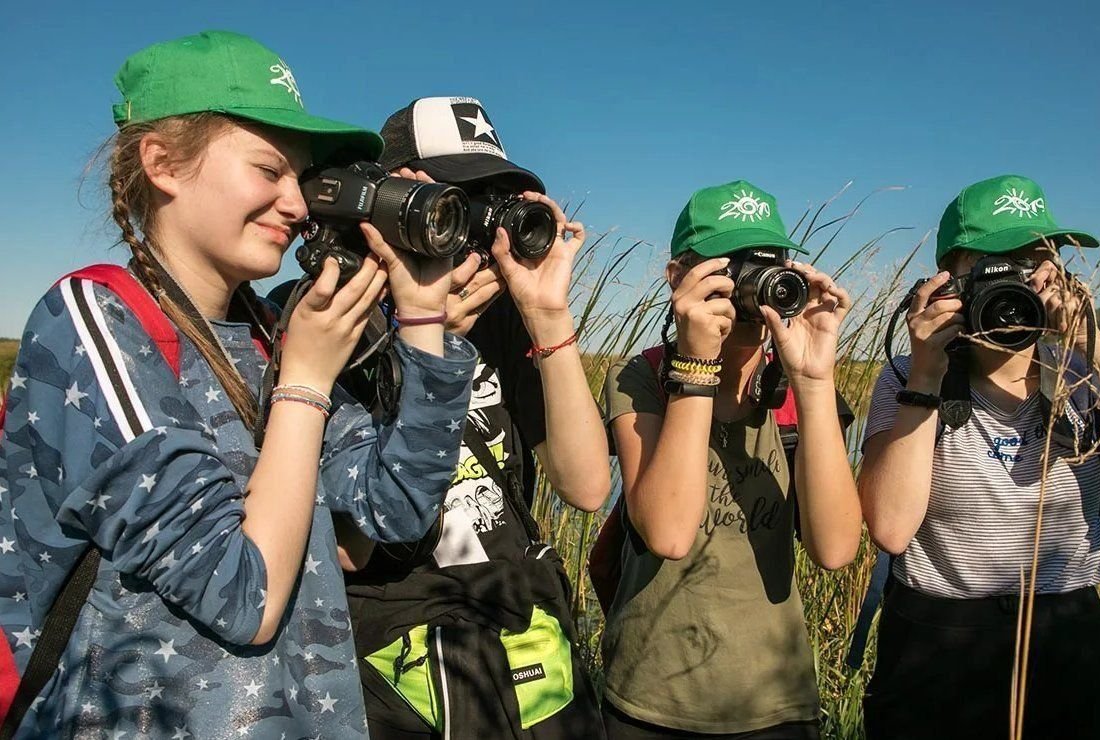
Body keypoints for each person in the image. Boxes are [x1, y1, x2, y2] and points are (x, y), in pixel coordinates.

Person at [0, 31, 476, 738]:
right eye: (269, 170)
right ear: (162, 163)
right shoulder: (94, 319)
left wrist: (422, 320)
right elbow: (241, 597)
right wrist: (306, 384)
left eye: (304, 180)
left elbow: (396, 510)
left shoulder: (269, 336)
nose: (297, 204)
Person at [858, 174, 1100, 739]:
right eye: (992, 266)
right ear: (947, 280)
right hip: (939, 640)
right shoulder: (907, 376)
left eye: (1033, 263)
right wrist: (927, 372)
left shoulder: (1087, 379)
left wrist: (1094, 345)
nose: (1013, 284)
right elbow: (892, 530)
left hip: (1069, 636)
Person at [337, 98, 611, 739]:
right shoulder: (331, 315)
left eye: (499, 201)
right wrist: (419, 347)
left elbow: (588, 487)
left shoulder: (505, 320)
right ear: (393, 196)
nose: (484, 232)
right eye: (463, 199)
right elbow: (351, 546)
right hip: (398, 661)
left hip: (522, 634)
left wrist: (548, 316)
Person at [601, 181, 862, 739]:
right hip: (653, 699)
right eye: (730, 268)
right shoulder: (640, 378)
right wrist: (697, 363)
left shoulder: (797, 391)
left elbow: (837, 550)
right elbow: (668, 534)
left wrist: (814, 379)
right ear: (679, 278)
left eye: (766, 267)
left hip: (777, 700)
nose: (752, 289)